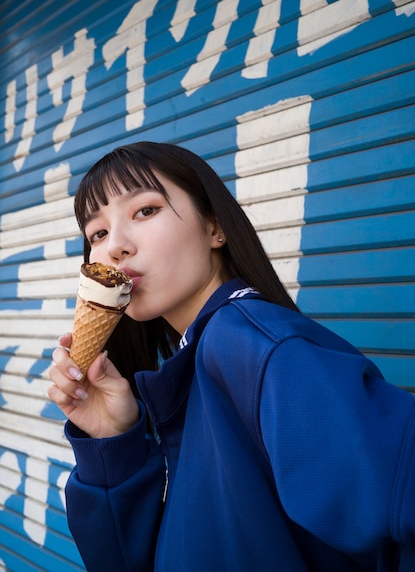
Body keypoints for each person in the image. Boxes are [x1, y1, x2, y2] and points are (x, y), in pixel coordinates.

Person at [48, 141, 415, 572]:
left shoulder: (253, 346)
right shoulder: (197, 362)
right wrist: (113, 442)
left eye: (145, 210)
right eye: (98, 233)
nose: (115, 247)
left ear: (214, 227)